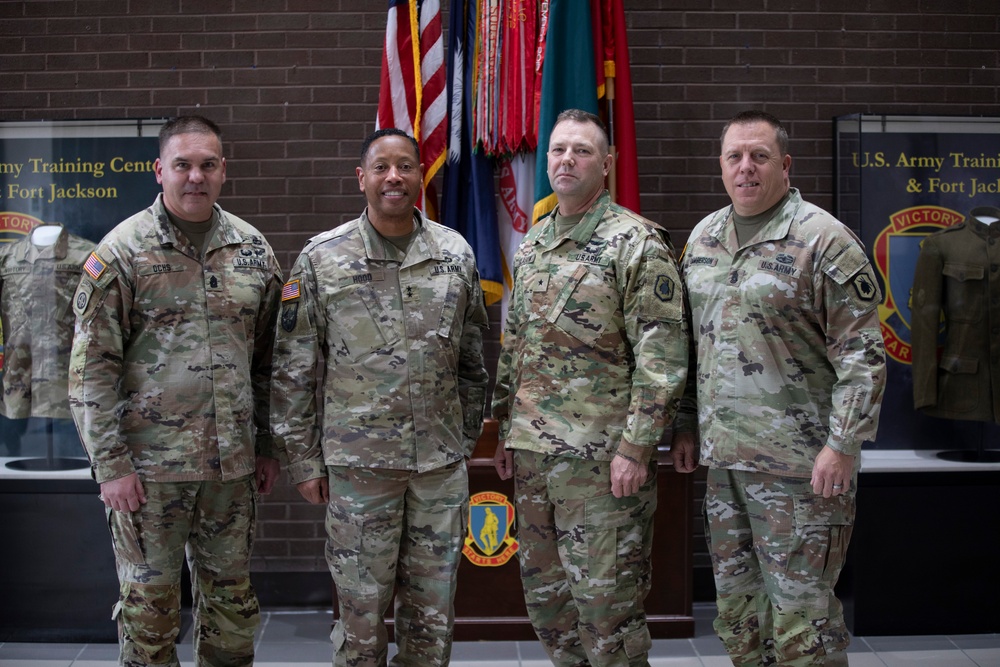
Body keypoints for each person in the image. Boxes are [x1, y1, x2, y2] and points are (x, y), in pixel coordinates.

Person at [670, 110, 887, 666]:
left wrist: (843, 445)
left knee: (803, 625)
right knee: (739, 620)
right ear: (720, 167)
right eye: (734, 157)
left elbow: (862, 356)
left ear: (784, 165)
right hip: (727, 468)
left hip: (802, 471)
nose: (746, 168)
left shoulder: (823, 240)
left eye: (759, 156)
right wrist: (688, 424)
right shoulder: (703, 239)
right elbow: (694, 345)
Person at [68, 115, 283, 667]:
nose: (195, 176)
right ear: (159, 169)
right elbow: (90, 368)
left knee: (233, 611)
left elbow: (269, 361)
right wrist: (110, 465)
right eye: (183, 164)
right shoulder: (122, 251)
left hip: (230, 473)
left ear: (223, 171)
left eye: (207, 164)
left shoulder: (252, 249)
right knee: (150, 612)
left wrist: (266, 445)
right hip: (148, 476)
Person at [270, 128, 489, 666]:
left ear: (420, 175)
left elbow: (473, 361)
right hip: (359, 472)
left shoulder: (454, 253)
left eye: (406, 166)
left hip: (438, 472)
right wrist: (303, 460)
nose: (395, 177)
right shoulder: (323, 259)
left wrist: (458, 442)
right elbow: (292, 369)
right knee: (361, 621)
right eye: (382, 167)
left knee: (431, 619)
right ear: (362, 178)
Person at [492, 109, 688, 667]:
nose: (566, 160)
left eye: (581, 150)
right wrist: (506, 429)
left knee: (608, 616)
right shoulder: (534, 245)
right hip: (534, 459)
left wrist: (636, 446)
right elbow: (518, 345)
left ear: (607, 163)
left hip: (602, 466)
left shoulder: (636, 244)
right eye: (557, 150)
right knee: (550, 610)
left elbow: (663, 359)